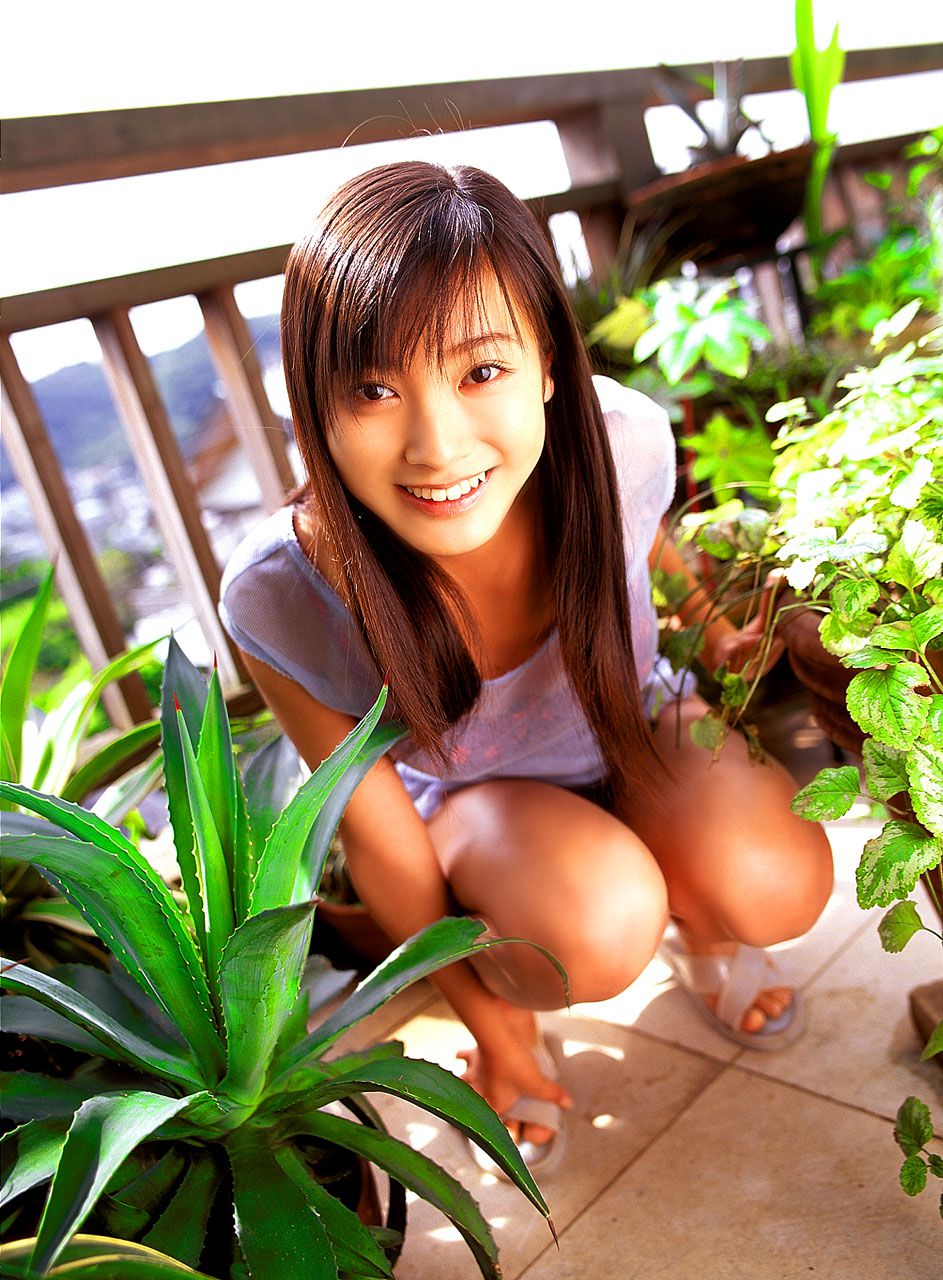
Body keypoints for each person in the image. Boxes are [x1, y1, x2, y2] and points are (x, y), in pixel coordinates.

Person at [219, 160, 833, 1173]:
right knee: (595, 927)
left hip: (637, 729)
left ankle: (709, 934)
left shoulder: (618, 437)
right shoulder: (283, 591)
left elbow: (643, 534)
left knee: (778, 878)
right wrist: (492, 1029)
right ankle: (524, 1002)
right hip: (481, 809)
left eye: (480, 372)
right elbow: (382, 844)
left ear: (546, 361)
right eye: (373, 388)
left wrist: (708, 624)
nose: (435, 444)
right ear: (311, 405)